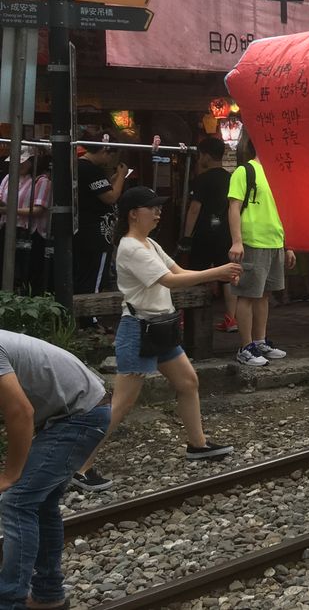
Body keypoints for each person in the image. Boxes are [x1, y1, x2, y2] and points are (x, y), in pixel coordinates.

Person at [75, 186, 239, 493]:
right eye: (152, 207)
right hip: (139, 330)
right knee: (121, 404)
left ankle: (198, 445)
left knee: (188, 382)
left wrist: (216, 273)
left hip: (160, 328)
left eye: (158, 207)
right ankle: (79, 466)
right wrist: (216, 272)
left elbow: (179, 271)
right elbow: (170, 280)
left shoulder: (149, 243)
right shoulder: (130, 248)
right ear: (133, 214)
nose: (158, 212)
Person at [0, 331, 110, 609]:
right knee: (41, 504)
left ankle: (10, 602)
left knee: (17, 502)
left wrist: (11, 474)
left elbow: (20, 412)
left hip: (79, 415)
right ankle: (48, 595)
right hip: (75, 412)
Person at [227, 137, 295, 367]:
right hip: (253, 241)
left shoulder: (278, 174)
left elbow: (283, 210)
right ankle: (245, 347)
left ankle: (259, 341)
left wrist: (288, 245)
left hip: (274, 240)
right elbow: (234, 207)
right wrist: (237, 241)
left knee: (264, 294)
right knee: (247, 294)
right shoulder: (244, 171)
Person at [180, 137, 236, 333]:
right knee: (227, 276)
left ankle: (188, 319)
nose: (199, 158)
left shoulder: (202, 180)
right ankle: (231, 319)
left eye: (200, 154)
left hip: (204, 233)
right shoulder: (231, 178)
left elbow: (194, 209)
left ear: (206, 156)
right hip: (226, 233)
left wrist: (186, 236)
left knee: (194, 273)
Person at [74, 141, 128, 295]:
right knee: (94, 280)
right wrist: (122, 176)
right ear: (105, 150)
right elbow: (110, 197)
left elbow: (101, 190)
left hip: (85, 231)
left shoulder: (82, 167)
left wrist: (113, 180)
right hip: (96, 234)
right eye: (112, 156)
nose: (111, 161)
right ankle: (90, 309)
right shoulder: (89, 169)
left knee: (84, 276)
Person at [0, 147, 50, 294]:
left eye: (23, 162)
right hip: (7, 228)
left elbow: (38, 210)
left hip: (30, 232)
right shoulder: (9, 178)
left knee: (28, 270)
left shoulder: (41, 181)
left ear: (32, 162)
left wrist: (9, 210)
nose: (19, 165)